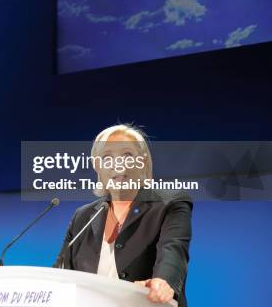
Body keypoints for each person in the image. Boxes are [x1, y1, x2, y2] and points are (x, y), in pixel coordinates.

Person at [53, 124, 192, 307]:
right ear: (98, 168)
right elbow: (59, 274)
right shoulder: (83, 217)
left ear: (142, 163)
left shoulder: (169, 204)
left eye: (127, 156)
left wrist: (163, 281)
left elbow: (173, 250)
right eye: (107, 158)